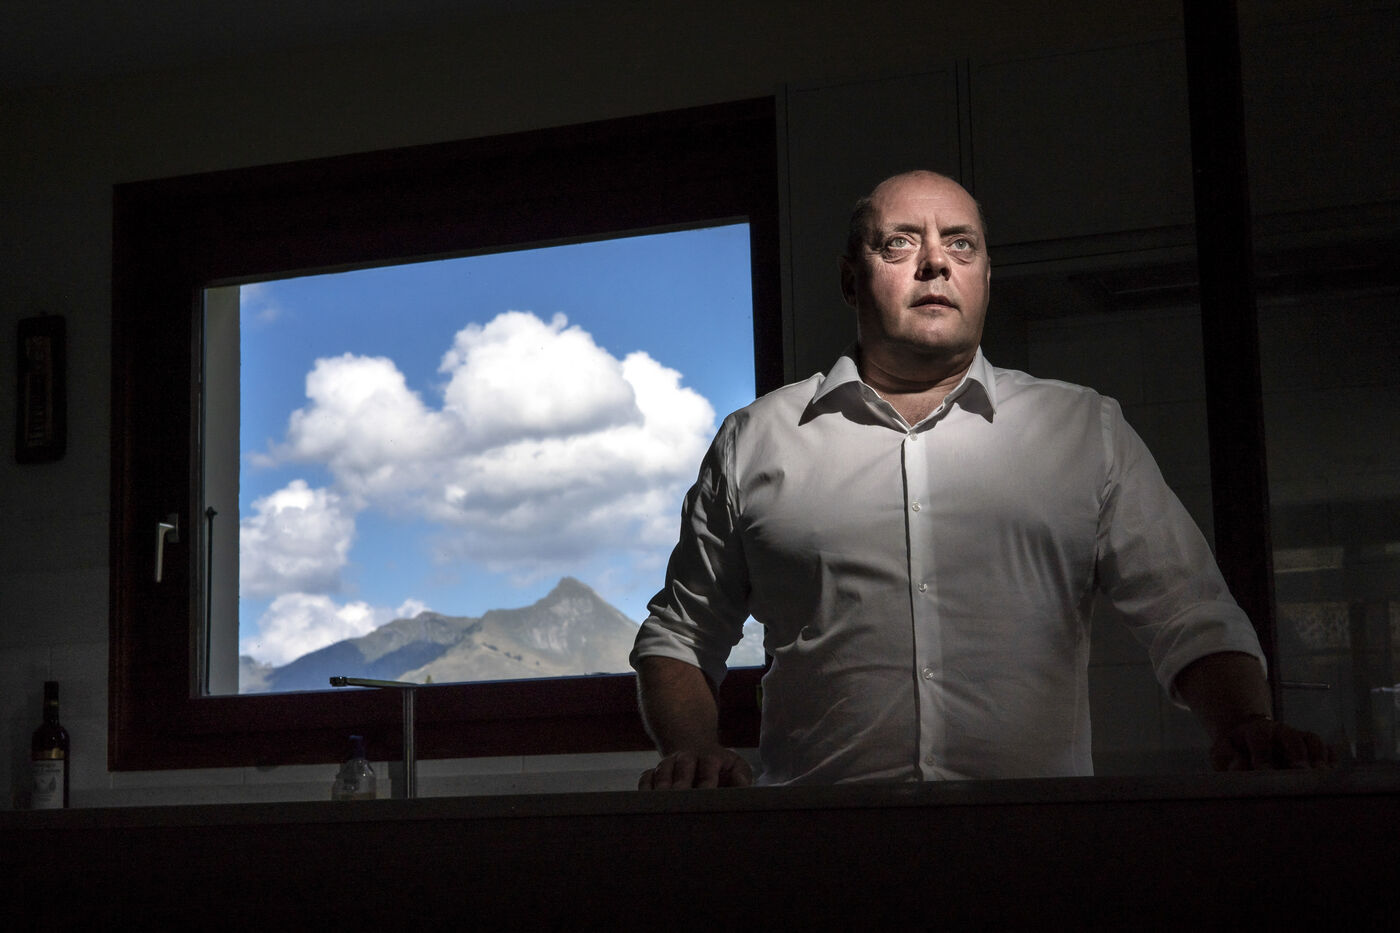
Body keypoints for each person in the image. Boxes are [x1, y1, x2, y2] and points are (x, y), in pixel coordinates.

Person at [630, 170, 1332, 789]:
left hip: (1032, 846)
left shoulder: (1084, 429)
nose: (936, 262)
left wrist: (1243, 722)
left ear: (986, 278)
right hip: (823, 843)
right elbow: (681, 636)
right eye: (899, 243)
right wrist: (693, 750)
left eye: (961, 245)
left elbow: (1189, 611)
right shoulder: (757, 440)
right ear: (849, 280)